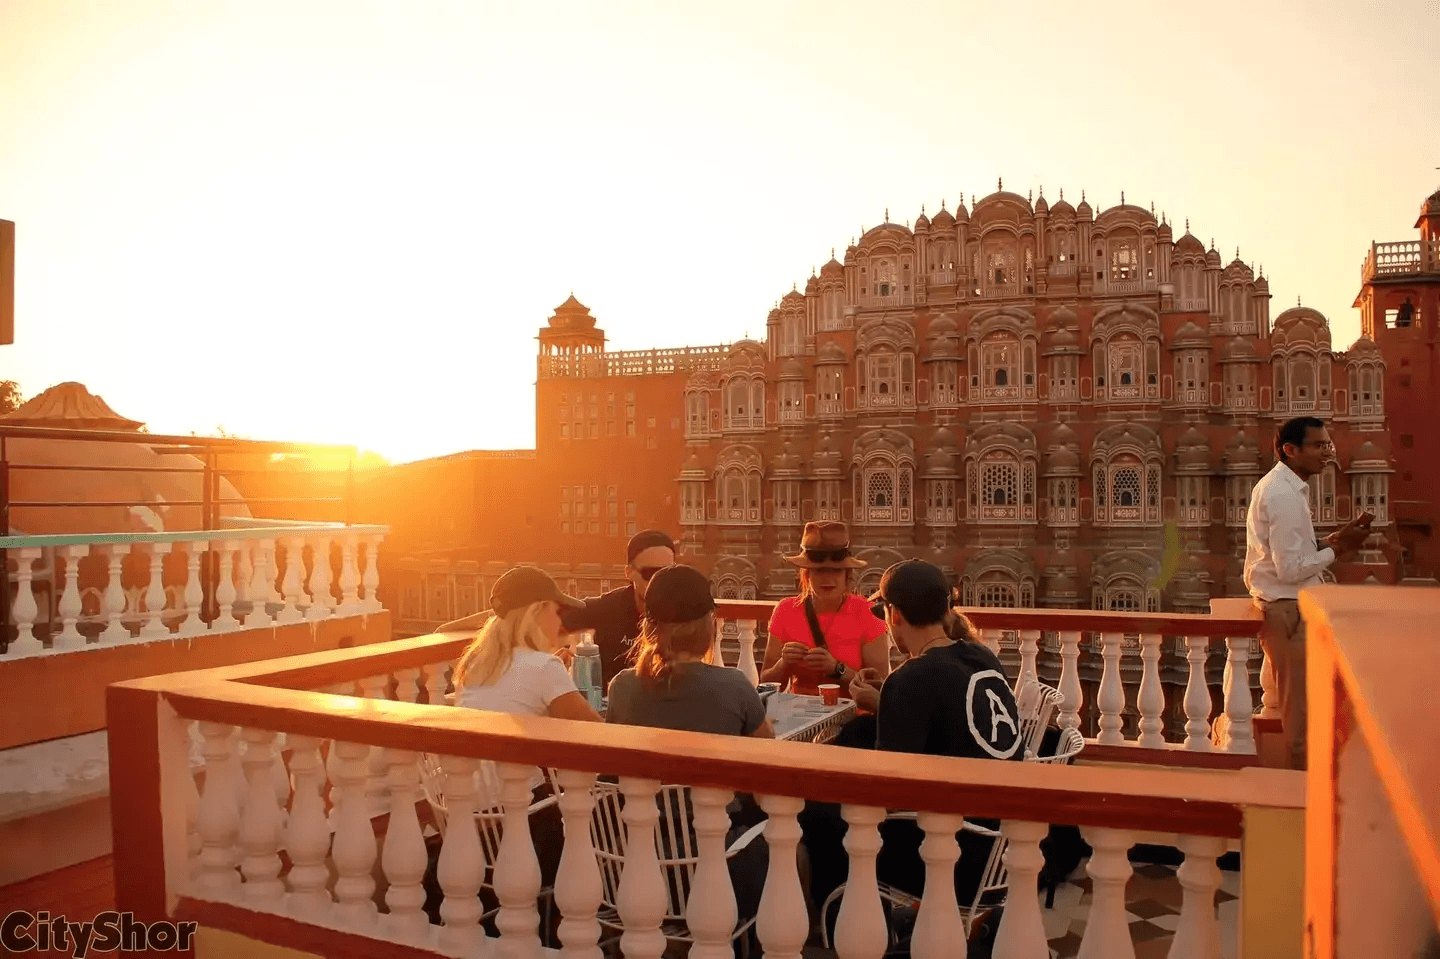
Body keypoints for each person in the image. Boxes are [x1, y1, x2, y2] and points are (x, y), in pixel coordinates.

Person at [803, 560, 1022, 937]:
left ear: (895, 614)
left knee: (815, 812)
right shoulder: (979, 656)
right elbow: (948, 722)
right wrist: (885, 703)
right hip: (996, 845)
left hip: (945, 855)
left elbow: (887, 796)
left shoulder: (910, 679)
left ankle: (852, 929)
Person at [604, 564, 772, 951]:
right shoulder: (734, 686)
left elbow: (611, 773)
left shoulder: (622, 688)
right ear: (709, 624)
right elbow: (769, 774)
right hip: (713, 869)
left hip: (633, 866)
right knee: (791, 846)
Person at [447, 564, 603, 923]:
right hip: (520, 820)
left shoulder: (475, 663)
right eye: (556, 610)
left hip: (468, 814)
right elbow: (598, 734)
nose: (560, 622)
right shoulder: (542, 666)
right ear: (537, 612)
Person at [1245, 416, 1372, 770]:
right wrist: (1338, 550)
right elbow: (1288, 570)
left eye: (1328, 445)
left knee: (1311, 704)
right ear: (1291, 450)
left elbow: (1289, 552)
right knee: (1301, 710)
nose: (1327, 453)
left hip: (1294, 607)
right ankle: (1303, 788)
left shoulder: (1285, 488)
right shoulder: (1283, 495)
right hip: (1288, 610)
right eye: (1318, 446)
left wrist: (1327, 542)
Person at [760, 522, 891, 697]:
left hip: (853, 717)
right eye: (819, 571)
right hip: (801, 716)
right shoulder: (785, 610)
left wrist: (837, 669)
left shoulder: (866, 612)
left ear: (847, 575)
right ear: (807, 575)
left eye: (835, 571)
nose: (827, 578)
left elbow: (878, 686)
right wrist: (784, 664)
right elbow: (765, 685)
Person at [559, 529, 678, 686]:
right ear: (629, 572)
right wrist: (560, 653)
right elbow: (553, 617)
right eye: (650, 573)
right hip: (611, 705)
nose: (659, 581)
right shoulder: (609, 607)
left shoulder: (683, 612)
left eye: (667, 573)